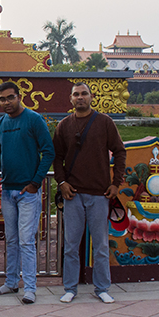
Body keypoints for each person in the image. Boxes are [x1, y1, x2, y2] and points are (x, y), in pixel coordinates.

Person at [53, 82, 127, 304]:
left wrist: (116, 183)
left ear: (91, 96)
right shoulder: (64, 125)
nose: (80, 97)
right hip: (73, 194)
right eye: (76, 94)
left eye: (84, 93)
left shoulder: (105, 123)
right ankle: (70, 288)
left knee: (101, 245)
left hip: (99, 194)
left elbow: (120, 152)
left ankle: (102, 287)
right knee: (71, 245)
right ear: (71, 99)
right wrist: (62, 182)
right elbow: (56, 157)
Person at [0, 81, 55, 304]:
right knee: (12, 240)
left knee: (27, 240)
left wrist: (36, 182)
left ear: (19, 96)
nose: (7, 102)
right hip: (7, 190)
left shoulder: (33, 120)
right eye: (2, 99)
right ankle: (10, 282)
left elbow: (48, 152)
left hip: (28, 192)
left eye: (10, 97)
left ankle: (30, 287)